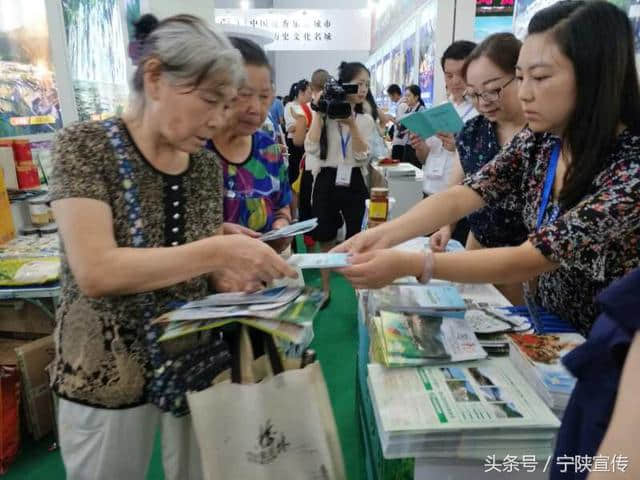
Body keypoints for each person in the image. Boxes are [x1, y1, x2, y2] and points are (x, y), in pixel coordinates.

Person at [49, 15, 296, 480]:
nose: (221, 119)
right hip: (106, 371)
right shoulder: (83, 147)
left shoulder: (202, 165)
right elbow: (96, 271)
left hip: (193, 362)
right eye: (210, 100)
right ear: (155, 77)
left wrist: (238, 275)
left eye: (228, 103)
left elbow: (191, 271)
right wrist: (217, 253)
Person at [335, 0, 640, 337]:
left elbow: (530, 258)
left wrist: (413, 263)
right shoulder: (542, 140)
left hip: (613, 350)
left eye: (539, 77)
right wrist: (381, 235)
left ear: (594, 76)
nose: (524, 94)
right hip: (553, 329)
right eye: (521, 78)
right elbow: (465, 193)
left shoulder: (630, 171)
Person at [419, 33, 530, 304]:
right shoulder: (473, 130)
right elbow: (460, 186)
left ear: (520, 76)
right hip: (479, 240)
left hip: (526, 254)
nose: (483, 103)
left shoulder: (541, 134)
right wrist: (446, 227)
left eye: (492, 90)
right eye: (474, 94)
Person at [208, 37, 293, 263]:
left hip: (262, 283)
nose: (255, 108)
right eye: (244, 94)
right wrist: (218, 235)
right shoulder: (195, 149)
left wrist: (281, 226)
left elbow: (281, 205)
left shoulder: (269, 149)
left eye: (264, 97)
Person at [305, 61, 377, 304]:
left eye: (367, 84)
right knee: (325, 235)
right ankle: (326, 289)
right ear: (344, 85)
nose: (363, 89)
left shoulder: (365, 120)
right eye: (358, 84)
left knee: (359, 237)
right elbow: (311, 147)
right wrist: (318, 112)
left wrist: (352, 125)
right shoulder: (324, 115)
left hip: (354, 178)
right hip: (326, 177)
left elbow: (363, 156)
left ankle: (360, 292)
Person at [391, 84, 425, 167]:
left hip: (416, 147)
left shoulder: (421, 110)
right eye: (405, 96)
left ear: (416, 97)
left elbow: (422, 130)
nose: (406, 98)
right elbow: (401, 128)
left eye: (409, 96)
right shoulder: (408, 109)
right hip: (407, 145)